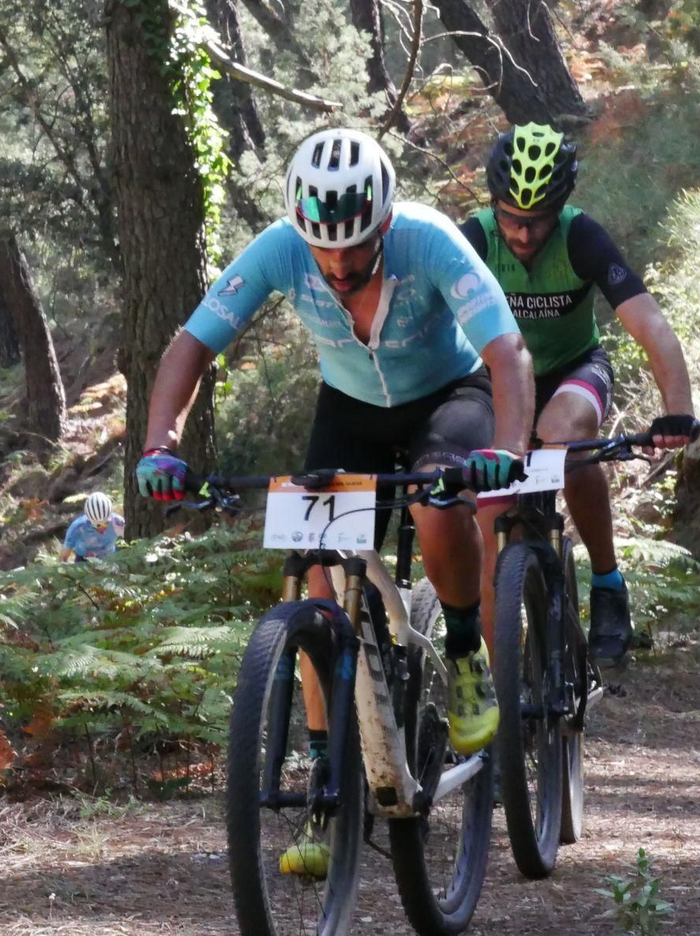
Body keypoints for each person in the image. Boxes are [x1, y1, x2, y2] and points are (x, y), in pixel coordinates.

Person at [135, 128, 535, 877]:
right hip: (350, 409)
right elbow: (191, 345)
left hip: (448, 398)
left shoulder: (430, 240)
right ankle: (326, 786)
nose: (341, 264)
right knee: (318, 580)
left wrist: (508, 446)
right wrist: (162, 444)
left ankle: (462, 647)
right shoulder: (278, 250)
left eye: (356, 247)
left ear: (385, 222)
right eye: (325, 249)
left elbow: (506, 351)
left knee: (438, 504)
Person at [460, 123, 698, 667]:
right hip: (498, 380)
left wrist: (678, 411)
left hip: (575, 367)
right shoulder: (473, 238)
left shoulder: (581, 236)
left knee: (565, 438)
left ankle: (608, 583)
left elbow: (651, 325)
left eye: (537, 219)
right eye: (510, 217)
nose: (523, 234)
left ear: (560, 207)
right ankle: (501, 660)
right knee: (489, 503)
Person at [59, 491, 124, 562]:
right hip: (83, 560)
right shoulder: (77, 528)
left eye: (106, 523)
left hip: (109, 558)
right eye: (96, 524)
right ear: (88, 519)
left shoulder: (118, 523)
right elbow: (64, 556)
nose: (101, 527)